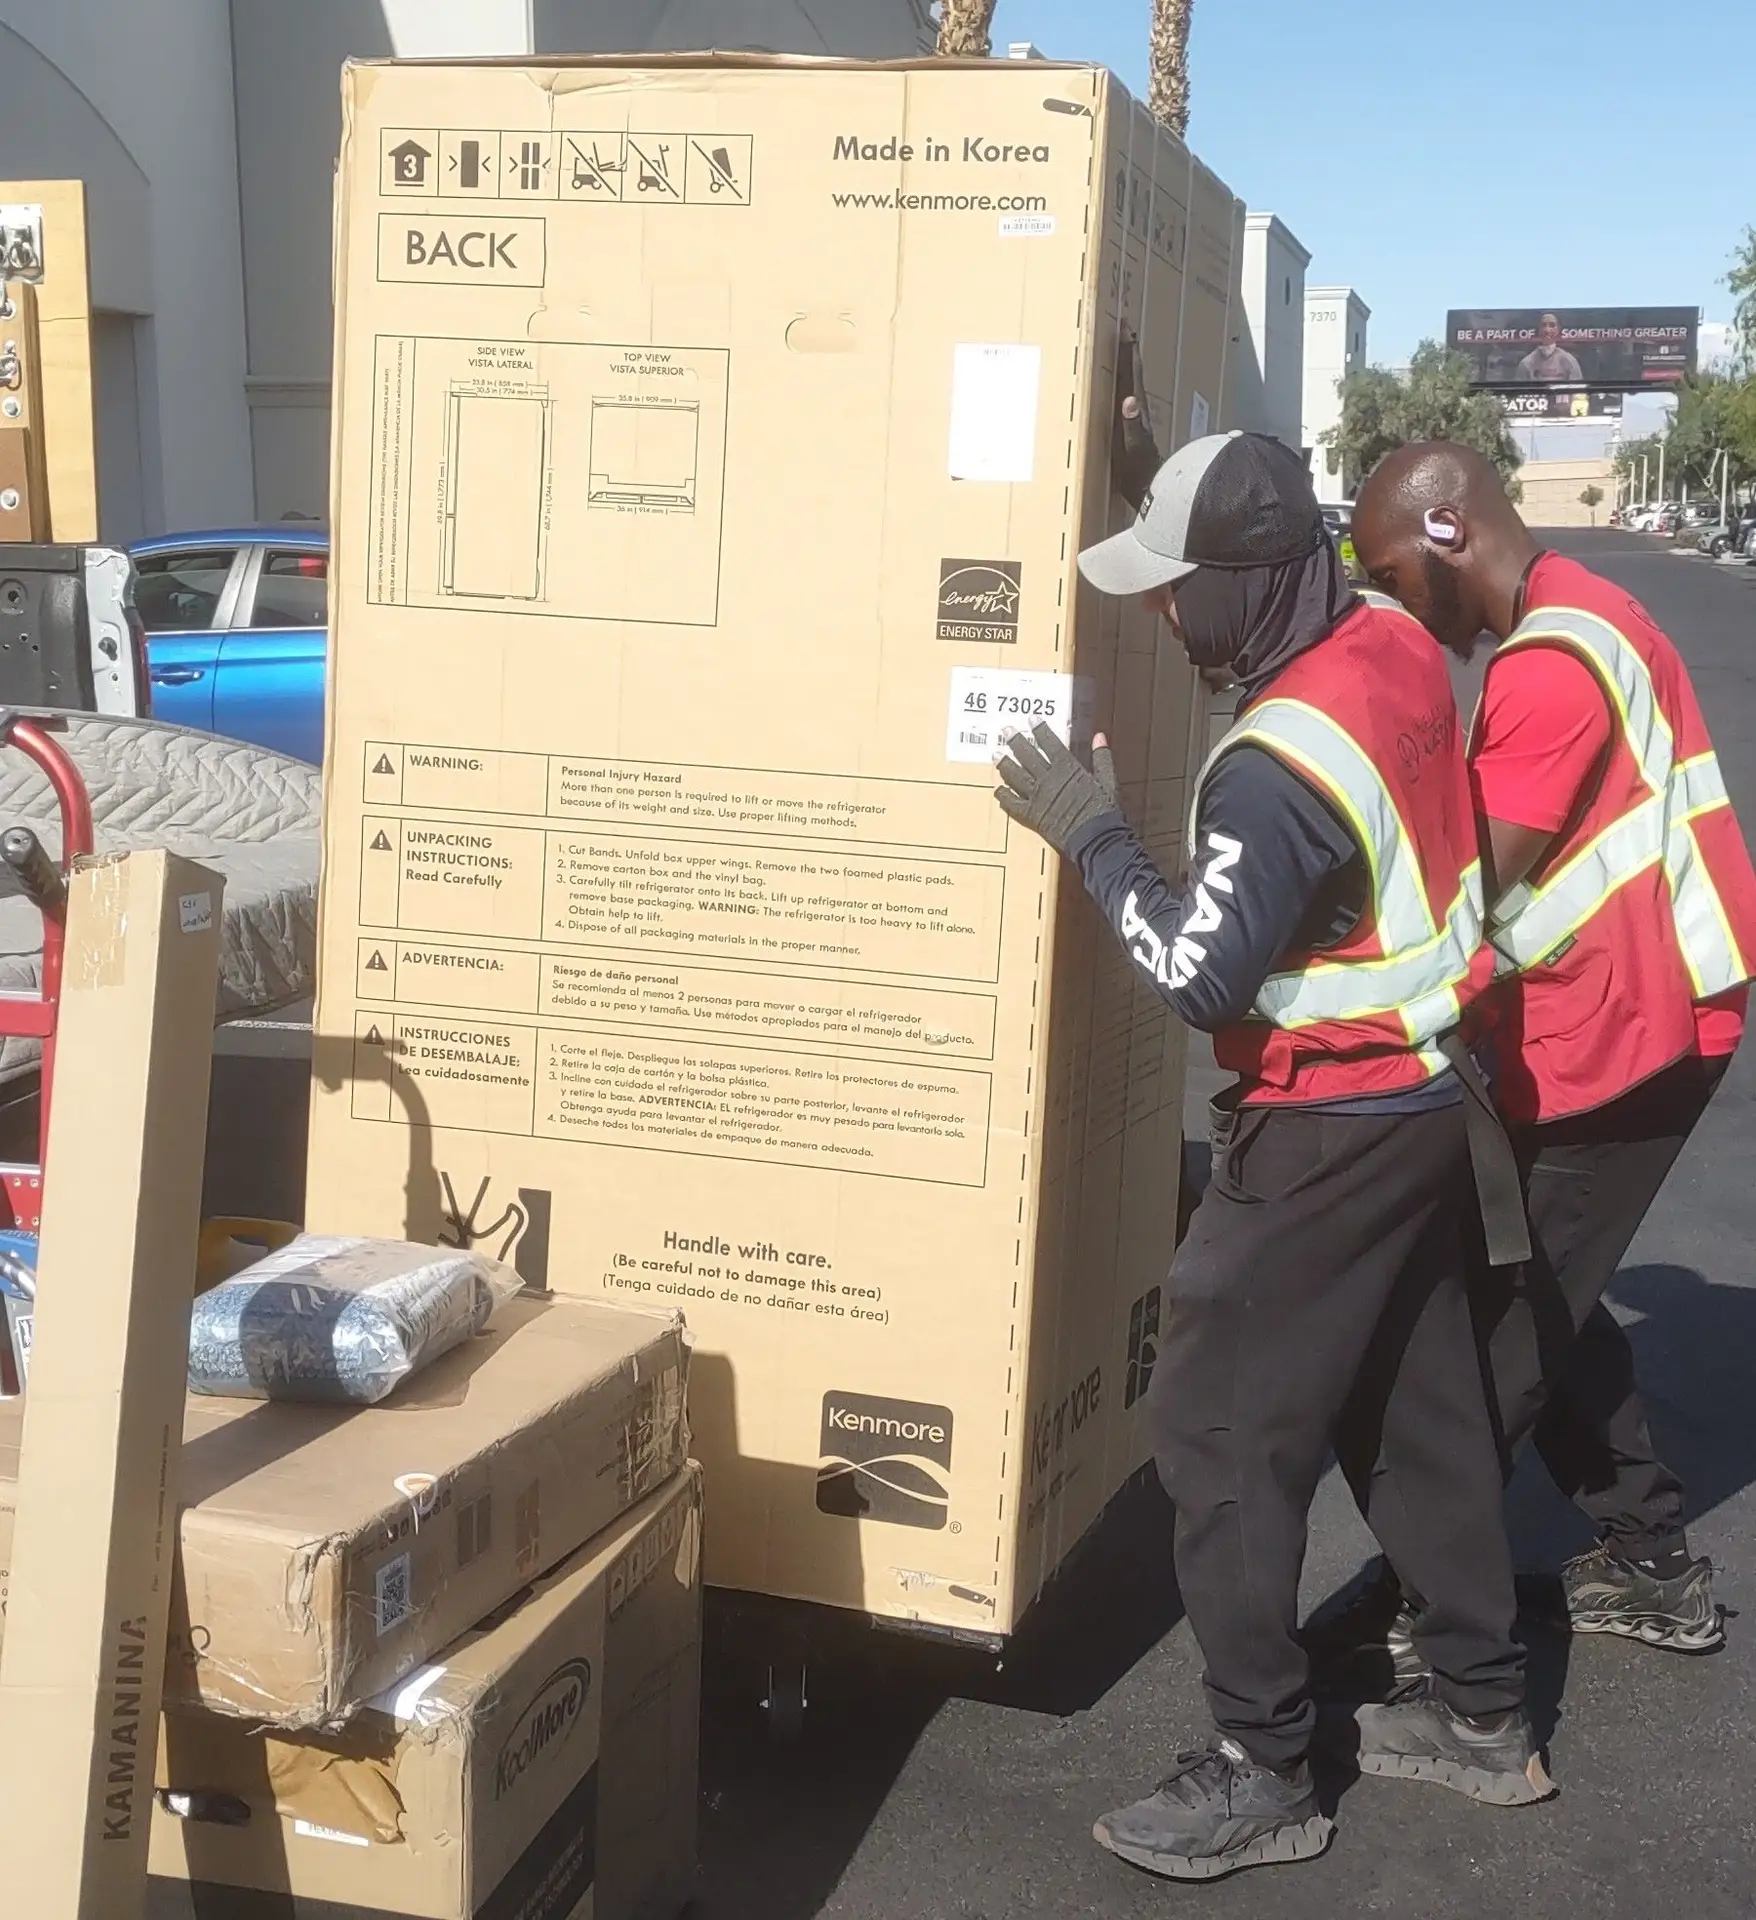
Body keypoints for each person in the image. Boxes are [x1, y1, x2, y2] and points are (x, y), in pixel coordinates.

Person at [992, 428, 1551, 1885]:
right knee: (1408, 1398)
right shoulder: (1385, 637)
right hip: (1436, 1099)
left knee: (1222, 1428)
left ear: (1247, 586)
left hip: (1326, 1129)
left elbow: (1199, 974)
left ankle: (1262, 1767)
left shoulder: (1276, 767)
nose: (1163, 614)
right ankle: (1486, 1712)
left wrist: (1090, 832)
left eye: (1178, 589)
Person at [1343, 440, 1756, 1656]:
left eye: (1391, 574)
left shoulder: (1552, 665)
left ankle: (1436, 1605)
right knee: (1533, 1288)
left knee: (1488, 1335)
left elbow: (1461, 889)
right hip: (1624, 1015)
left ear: (1450, 532)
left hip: (1633, 1036)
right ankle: (1648, 1562)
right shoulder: (1585, 608)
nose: (1392, 604)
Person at [1515, 314, 1585, 384]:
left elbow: (1578, 391)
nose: (1547, 330)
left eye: (1552, 325)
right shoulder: (1526, 363)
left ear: (1558, 330)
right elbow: (1519, 391)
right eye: (1543, 325)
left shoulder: (1570, 361)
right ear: (1539, 330)